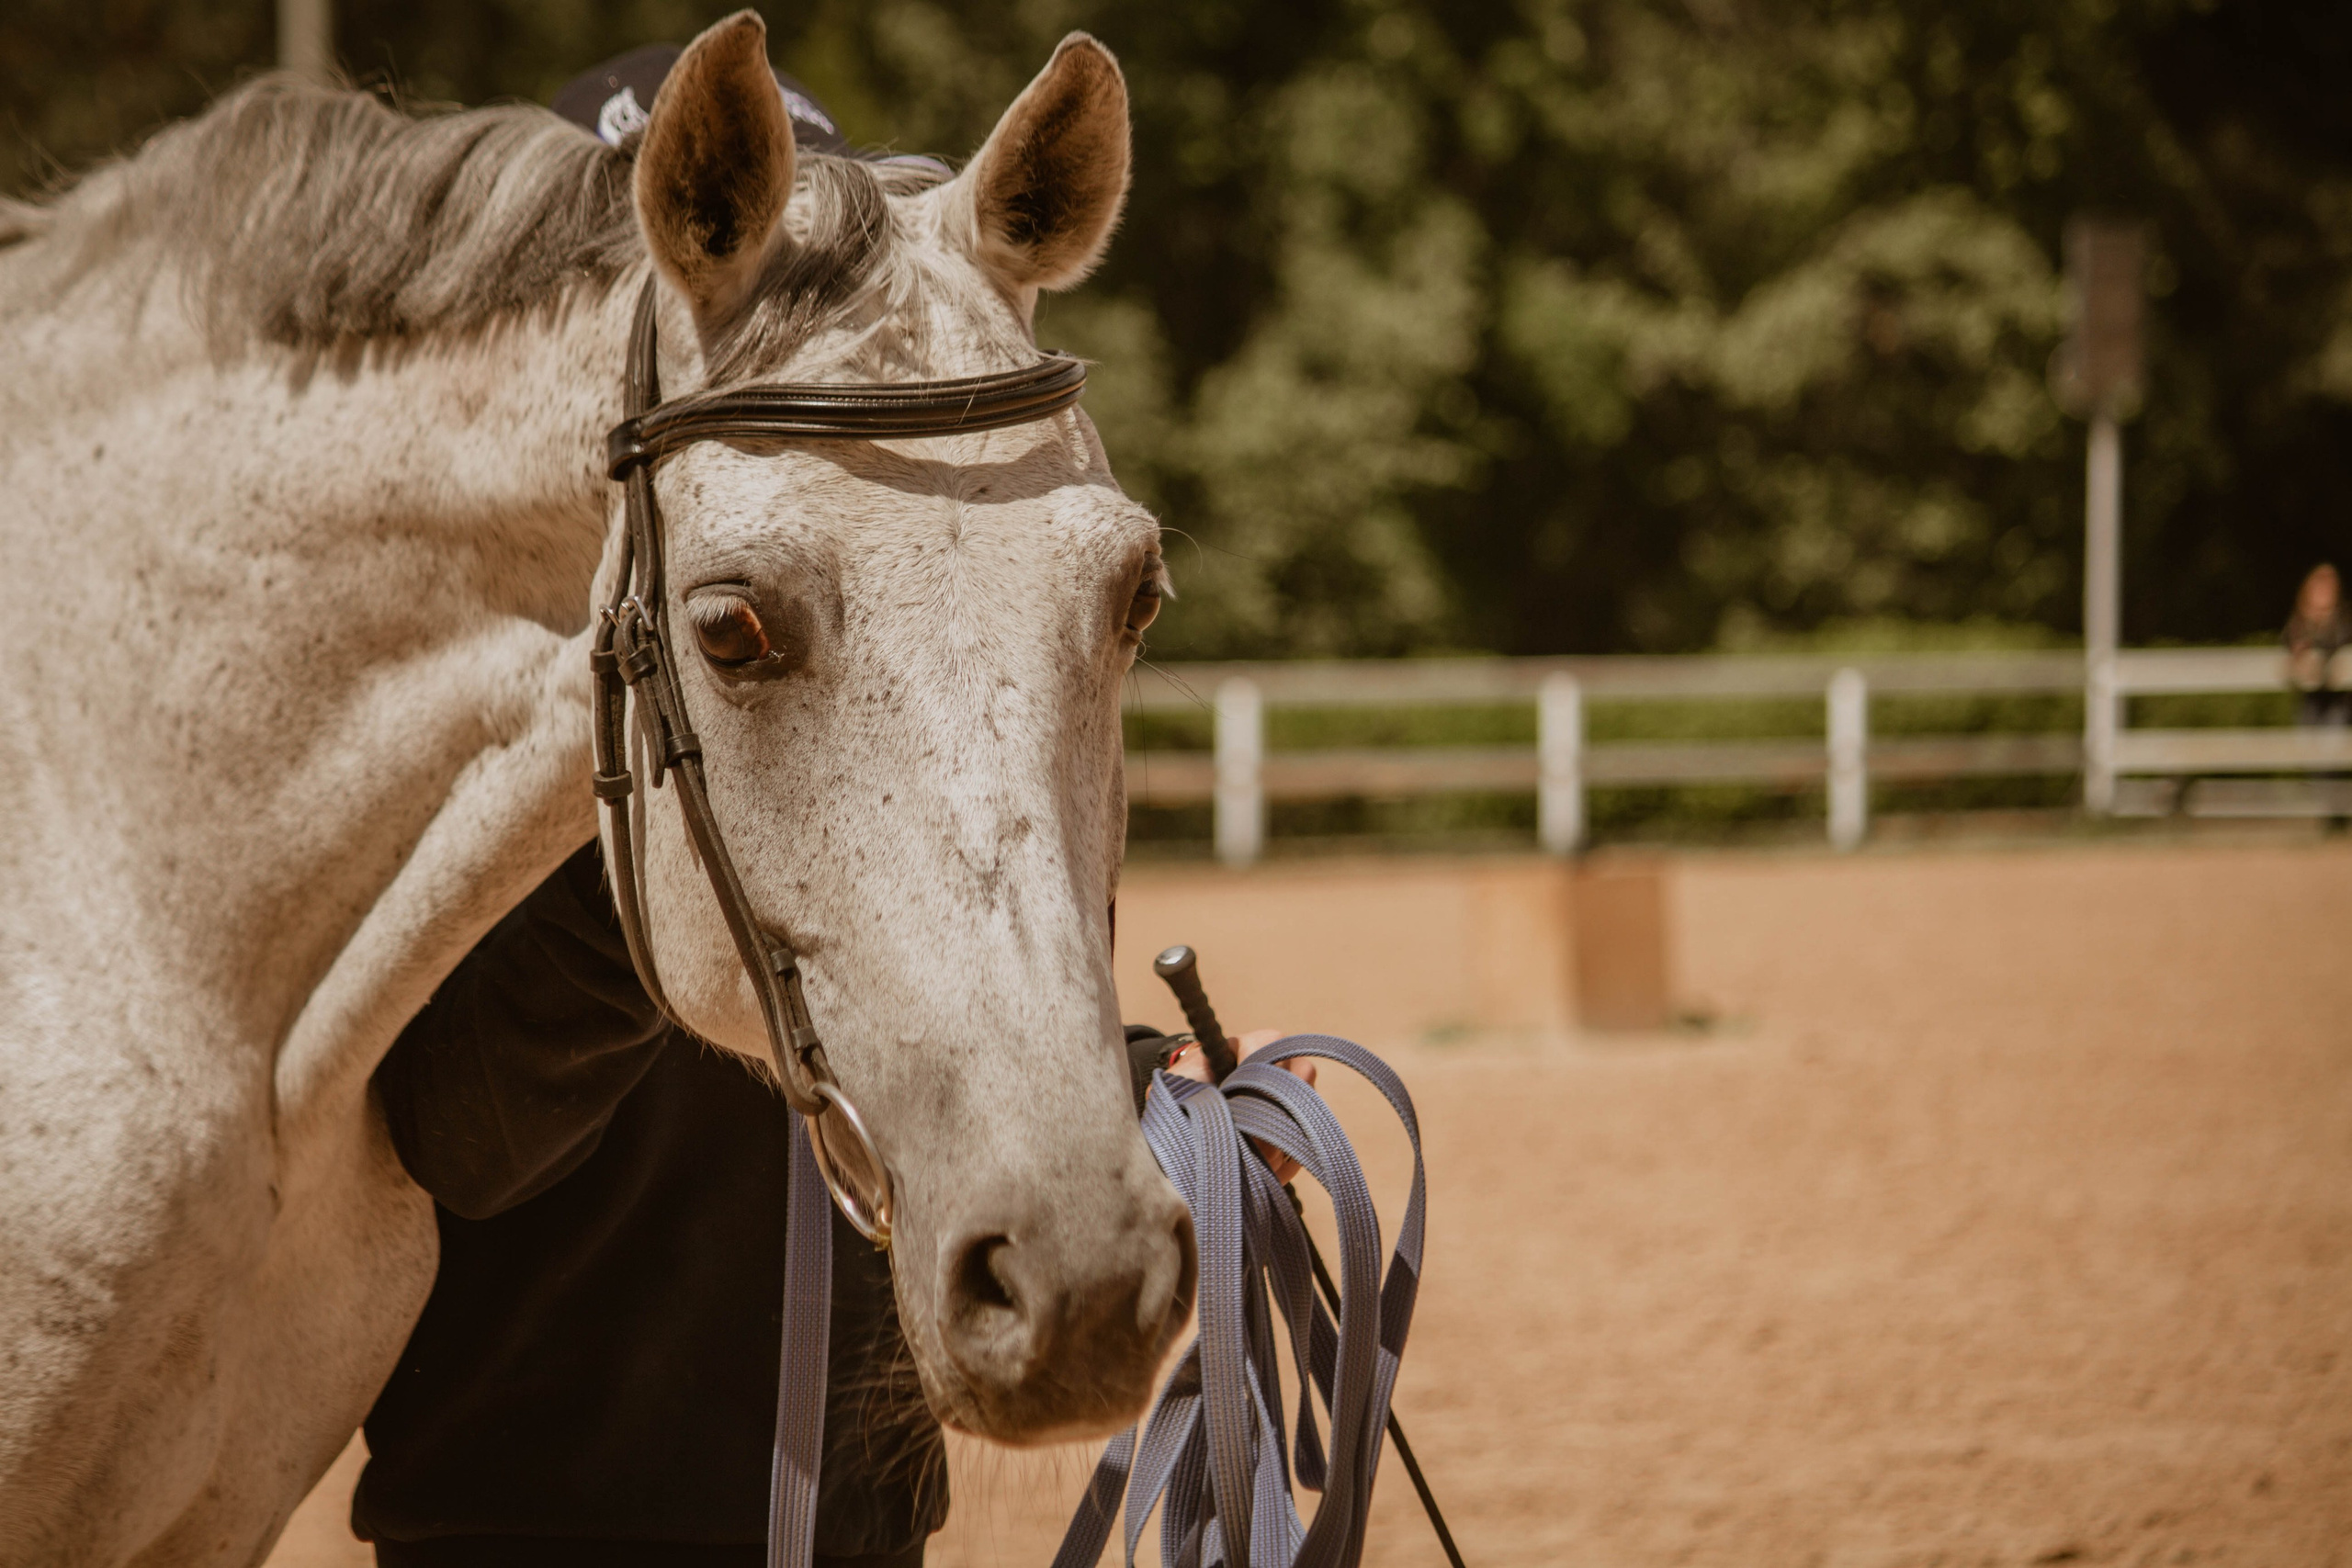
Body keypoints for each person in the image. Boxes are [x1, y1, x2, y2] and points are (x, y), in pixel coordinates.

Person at [2284, 562, 2351, 728]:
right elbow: (2286, 641)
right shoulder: (2299, 622)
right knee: (2307, 740)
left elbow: (2338, 642)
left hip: (2339, 699)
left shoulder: (2343, 618)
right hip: (2310, 700)